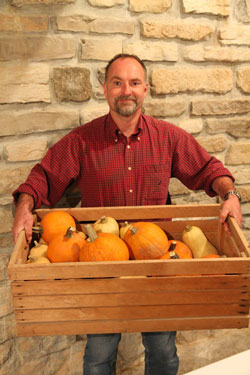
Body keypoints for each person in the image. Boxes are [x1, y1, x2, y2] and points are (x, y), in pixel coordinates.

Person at [12, 53, 242, 375]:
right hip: (100, 263)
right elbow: (44, 176)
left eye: (134, 83)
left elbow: (208, 168)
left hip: (157, 261)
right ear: (105, 90)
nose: (126, 90)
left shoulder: (168, 137)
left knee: (162, 352)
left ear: (146, 89)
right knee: (98, 356)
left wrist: (230, 194)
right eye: (117, 83)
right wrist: (24, 207)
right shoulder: (82, 141)